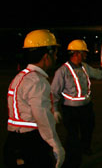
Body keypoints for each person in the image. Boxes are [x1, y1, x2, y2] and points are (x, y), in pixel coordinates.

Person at [3, 29, 65, 168]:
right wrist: (56, 146)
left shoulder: (20, 77)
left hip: (12, 142)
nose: (56, 58)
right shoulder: (38, 81)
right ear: (46, 56)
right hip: (30, 145)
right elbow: (42, 117)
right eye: (55, 54)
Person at [51, 39, 102, 167]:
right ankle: (72, 157)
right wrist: (55, 109)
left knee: (88, 129)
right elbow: (54, 92)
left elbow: (97, 73)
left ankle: (85, 148)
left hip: (86, 107)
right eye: (84, 53)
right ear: (77, 53)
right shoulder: (62, 71)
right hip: (70, 110)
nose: (86, 55)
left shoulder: (85, 67)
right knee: (72, 135)